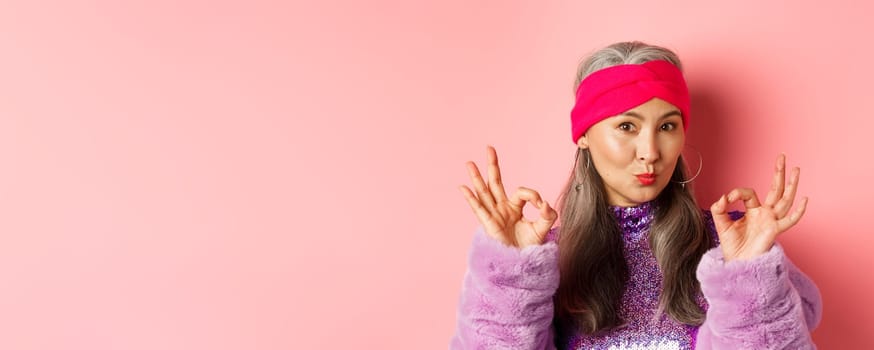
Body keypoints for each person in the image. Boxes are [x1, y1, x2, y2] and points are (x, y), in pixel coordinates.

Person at [450, 41, 822, 349]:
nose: (650, 151)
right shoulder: (543, 261)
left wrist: (748, 277)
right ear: (583, 135)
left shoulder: (729, 248)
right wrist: (510, 278)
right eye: (627, 125)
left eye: (667, 126)